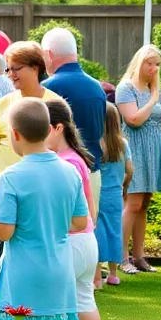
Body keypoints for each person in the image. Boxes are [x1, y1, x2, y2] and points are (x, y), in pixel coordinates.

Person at [0, 98, 87, 320]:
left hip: (21, 270)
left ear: (14, 134)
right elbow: (80, 222)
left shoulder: (11, 176)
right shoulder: (70, 171)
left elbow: (4, 231)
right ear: (48, 129)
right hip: (59, 269)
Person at [0, 42, 64, 306]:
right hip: (4, 180)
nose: (11, 75)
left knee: (35, 246)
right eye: (8, 69)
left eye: (16, 68)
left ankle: (35, 305)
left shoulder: (55, 103)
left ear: (35, 68)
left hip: (42, 184)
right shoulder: (4, 103)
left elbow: (64, 144)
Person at [116, 45, 161, 274]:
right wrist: (153, 99)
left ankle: (139, 257)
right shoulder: (126, 88)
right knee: (132, 203)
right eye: (150, 63)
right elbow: (133, 120)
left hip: (153, 150)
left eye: (157, 64)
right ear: (139, 63)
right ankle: (122, 258)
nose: (154, 68)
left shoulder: (155, 89)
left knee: (144, 204)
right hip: (134, 149)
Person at [46, 99, 102, 320]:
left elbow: (64, 209)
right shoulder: (76, 158)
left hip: (70, 239)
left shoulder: (65, 163)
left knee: (61, 302)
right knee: (83, 299)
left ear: (58, 128)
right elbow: (90, 207)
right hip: (86, 239)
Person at [41, 27, 108, 218]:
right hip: (92, 172)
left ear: (48, 54)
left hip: (58, 174)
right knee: (87, 228)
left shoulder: (48, 88)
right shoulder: (97, 87)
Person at [96, 103, 132, 289]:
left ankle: (96, 276)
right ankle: (113, 274)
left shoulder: (96, 143)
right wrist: (124, 184)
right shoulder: (122, 144)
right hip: (116, 195)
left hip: (98, 195)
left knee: (97, 232)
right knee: (114, 231)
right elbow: (130, 170)